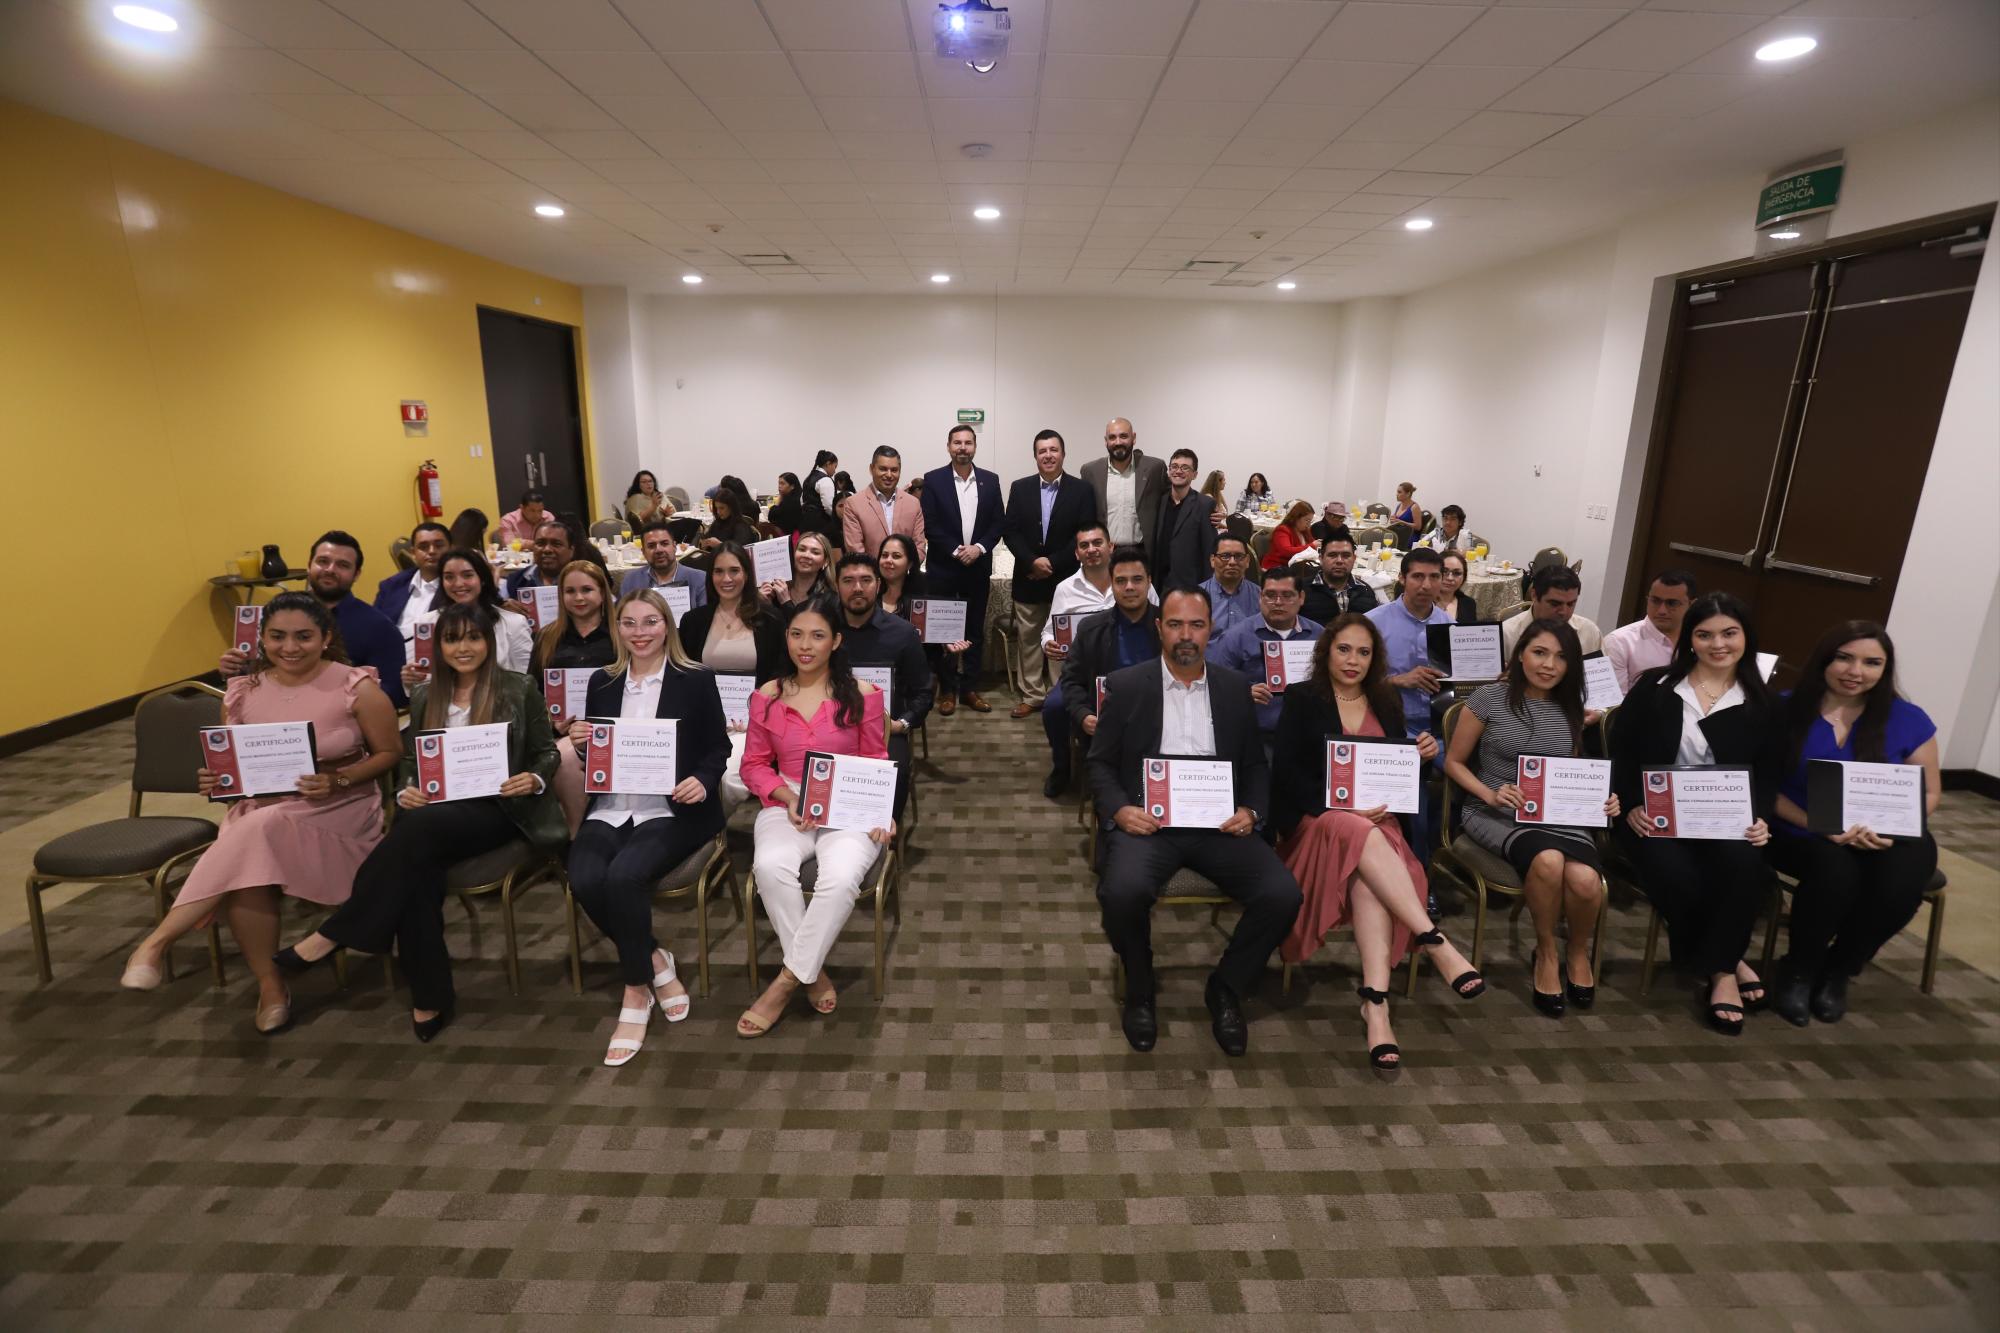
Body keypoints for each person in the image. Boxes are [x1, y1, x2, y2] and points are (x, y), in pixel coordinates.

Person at [272, 602, 563, 1042]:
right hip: (437, 813)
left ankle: (337, 932)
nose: (463, 648)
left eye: (473, 637)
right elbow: (411, 761)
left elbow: (548, 751)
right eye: (452, 638)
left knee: (414, 832)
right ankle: (430, 997)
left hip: (500, 809)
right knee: (415, 869)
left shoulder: (518, 687)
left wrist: (534, 778)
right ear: (439, 646)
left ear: (488, 641)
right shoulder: (427, 694)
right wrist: (405, 788)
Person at [118, 593, 402, 1033]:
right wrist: (218, 782)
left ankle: (157, 942)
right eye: (278, 637)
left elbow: (389, 753)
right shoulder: (242, 691)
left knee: (252, 834)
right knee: (252, 848)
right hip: (260, 808)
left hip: (338, 809)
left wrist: (339, 779)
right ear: (262, 639)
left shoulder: (356, 686)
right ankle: (271, 986)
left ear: (325, 637)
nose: (290, 647)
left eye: (304, 636)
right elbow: (234, 764)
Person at [1089, 587, 1304, 1058]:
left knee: (1282, 894)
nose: (1186, 636)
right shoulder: (1127, 686)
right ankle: (1141, 986)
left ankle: (1227, 986)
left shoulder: (1231, 688)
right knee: (1120, 893)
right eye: (1175, 624)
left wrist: (1251, 811)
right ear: (1159, 628)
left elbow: (1253, 766)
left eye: (1197, 625)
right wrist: (1121, 810)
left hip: (1218, 825)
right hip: (1149, 824)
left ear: (1211, 630)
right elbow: (1100, 764)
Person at [1269, 614, 1483, 1070]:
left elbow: (1396, 777)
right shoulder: (1303, 698)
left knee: (1369, 876)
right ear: (1327, 650)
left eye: (1364, 652)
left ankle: (1377, 1005)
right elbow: (1285, 776)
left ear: (1375, 659)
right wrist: (1338, 807)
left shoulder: (1386, 702)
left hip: (1377, 830)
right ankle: (1434, 940)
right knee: (1356, 830)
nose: (1353, 660)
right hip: (1317, 824)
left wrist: (1421, 758)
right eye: (1344, 649)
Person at [561, 590, 730, 1066]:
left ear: (667, 626)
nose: (640, 632)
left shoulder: (695, 679)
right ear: (617, 629)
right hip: (613, 805)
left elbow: (718, 748)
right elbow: (598, 758)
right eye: (629, 623)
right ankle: (654, 958)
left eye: (650, 622)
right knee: (585, 876)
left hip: (673, 809)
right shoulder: (602, 681)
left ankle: (635, 990)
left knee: (623, 876)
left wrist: (702, 779)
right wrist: (581, 743)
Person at [1610, 592, 1779, 1034]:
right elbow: (1621, 753)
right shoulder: (1656, 687)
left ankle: (1719, 966)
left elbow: (1768, 772)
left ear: (1746, 637)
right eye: (1704, 635)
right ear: (1690, 640)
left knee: (1745, 867)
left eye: (1729, 633)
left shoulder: (1760, 700)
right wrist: (1628, 806)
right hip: (1652, 817)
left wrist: (1760, 817)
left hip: (1725, 819)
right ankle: (1726, 965)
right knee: (1677, 875)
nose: (1717, 644)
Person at [1444, 618, 1620, 1018]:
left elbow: (1572, 770)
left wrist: (1600, 800)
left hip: (1557, 812)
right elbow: (1453, 763)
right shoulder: (1489, 698)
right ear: (1520, 653)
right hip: (1494, 810)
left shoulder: (1571, 706)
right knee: (1548, 860)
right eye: (1539, 652)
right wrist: (1489, 792)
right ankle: (1545, 950)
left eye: (1560, 658)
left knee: (1586, 878)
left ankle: (1577, 952)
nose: (1548, 665)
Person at [1769, 621, 1941, 1027]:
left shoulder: (1908, 718)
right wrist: (1817, 824)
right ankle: (1798, 969)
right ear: (1824, 661)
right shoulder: (1784, 710)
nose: (1855, 671)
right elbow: (1765, 788)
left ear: (1885, 669)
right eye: (1844, 658)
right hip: (1801, 827)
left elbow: (1930, 792)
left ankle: (1839, 968)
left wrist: (1890, 828)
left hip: (1885, 830)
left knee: (1901, 884)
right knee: (1835, 873)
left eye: (1871, 662)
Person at [737, 596, 894, 1037]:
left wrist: (881, 811)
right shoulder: (767, 696)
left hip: (848, 807)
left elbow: (876, 761)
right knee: (769, 867)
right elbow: (753, 766)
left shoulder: (863, 695)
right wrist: (786, 797)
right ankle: (813, 971)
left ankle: (786, 981)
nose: (805, 645)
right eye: (796, 634)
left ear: (836, 641)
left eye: (818, 636)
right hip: (786, 804)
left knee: (840, 878)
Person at [220, 531, 407, 709]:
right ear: (309, 565)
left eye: (342, 565)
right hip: (272, 718)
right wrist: (234, 670)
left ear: (356, 574)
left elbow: (393, 694)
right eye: (323, 561)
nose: (330, 570)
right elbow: (256, 675)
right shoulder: (277, 616)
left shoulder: (378, 627)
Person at [1002, 429, 1098, 718]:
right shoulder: (1020, 488)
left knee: (1061, 640)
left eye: (1053, 450)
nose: (1048, 455)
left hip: (1066, 580)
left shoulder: (1082, 490)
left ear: (1063, 454)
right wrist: (1032, 561)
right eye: (1042, 451)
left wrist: (1051, 563)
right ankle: (1032, 695)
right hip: (1028, 578)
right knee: (1029, 640)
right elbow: (1011, 531)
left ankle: (1060, 693)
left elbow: (1084, 533)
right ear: (1035, 456)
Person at [1051, 544, 1160, 799]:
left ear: (1149, 582)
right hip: (1106, 728)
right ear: (1112, 584)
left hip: (1159, 725)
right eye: (1121, 581)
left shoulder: (1168, 625)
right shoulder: (1091, 629)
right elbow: (1072, 681)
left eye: (1137, 580)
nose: (1129, 587)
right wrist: (1083, 714)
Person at [833, 552, 933, 822]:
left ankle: (880, 840)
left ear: (878, 584)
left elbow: (923, 692)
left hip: (883, 730)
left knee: (894, 770)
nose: (857, 588)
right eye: (848, 580)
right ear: (836, 584)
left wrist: (902, 723)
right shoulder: (823, 629)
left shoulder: (902, 633)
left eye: (865, 580)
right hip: (826, 725)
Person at [918, 423, 1004, 715]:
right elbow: (931, 524)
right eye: (957, 443)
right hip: (944, 568)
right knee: (944, 631)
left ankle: (969, 688)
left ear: (975, 447)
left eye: (968, 443)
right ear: (948, 446)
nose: (962, 448)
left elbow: (997, 523)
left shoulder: (991, 481)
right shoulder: (933, 480)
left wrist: (978, 549)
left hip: (977, 568)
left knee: (974, 631)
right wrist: (957, 550)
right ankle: (947, 689)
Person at [529, 559, 618, 833]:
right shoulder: (547, 637)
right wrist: (552, 724)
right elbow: (532, 692)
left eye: (587, 590)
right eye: (570, 591)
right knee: (563, 756)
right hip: (563, 732)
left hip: (614, 728)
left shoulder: (620, 635)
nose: (578, 597)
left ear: (602, 593)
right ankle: (579, 835)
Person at [1207, 562, 1323, 743]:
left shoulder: (1319, 636)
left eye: (1287, 595)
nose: (1278, 602)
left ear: (1301, 598)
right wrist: (1243, 693)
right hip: (1257, 736)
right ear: (1260, 597)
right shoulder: (1235, 637)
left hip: (1309, 733)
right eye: (1270, 595)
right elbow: (1215, 686)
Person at [409, 549, 534, 675]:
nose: (458, 584)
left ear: (483, 579)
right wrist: (411, 679)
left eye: (467, 575)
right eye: (449, 577)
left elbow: (527, 679)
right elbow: (424, 680)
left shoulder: (513, 623)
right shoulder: (427, 623)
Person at [679, 542, 787, 684]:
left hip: (758, 703)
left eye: (734, 570)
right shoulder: (692, 621)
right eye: (719, 571)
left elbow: (780, 672)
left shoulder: (771, 619)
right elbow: (684, 673)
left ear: (747, 574)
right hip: (705, 705)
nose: (726, 579)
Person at [1079, 417, 1167, 561]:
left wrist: (1207, 507)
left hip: (1143, 552)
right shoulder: (1090, 471)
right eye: (1112, 437)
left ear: (1134, 438)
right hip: (1105, 554)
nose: (1118, 442)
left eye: (1123, 436)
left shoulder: (1154, 468)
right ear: (1105, 441)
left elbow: (1174, 499)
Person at [1602, 570, 1698, 693]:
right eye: (1655, 601)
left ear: (1692, 605)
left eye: (1672, 603)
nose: (1662, 610)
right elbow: (1612, 704)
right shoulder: (1619, 642)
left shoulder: (1701, 641)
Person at [1150, 448, 1220, 592]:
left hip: (1189, 585)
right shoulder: (1159, 501)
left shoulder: (1205, 504)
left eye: (1185, 468)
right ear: (1169, 471)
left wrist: (1207, 589)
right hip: (1159, 583)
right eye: (1174, 467)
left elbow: (1209, 551)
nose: (1178, 471)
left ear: (1194, 474)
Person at [840, 444, 928, 560]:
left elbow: (919, 546)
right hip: (872, 575)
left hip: (906, 575)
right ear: (871, 469)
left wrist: (906, 570)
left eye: (894, 470)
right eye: (883, 469)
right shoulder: (854, 504)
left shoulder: (913, 503)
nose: (889, 475)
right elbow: (855, 549)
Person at [1502, 564, 1602, 659]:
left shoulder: (1589, 632)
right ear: (1534, 596)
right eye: (1555, 604)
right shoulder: (1506, 635)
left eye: (1570, 604)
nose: (1564, 612)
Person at [375, 520, 451, 646]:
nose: (431, 551)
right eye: (423, 547)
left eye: (439, 545)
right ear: (413, 552)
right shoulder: (391, 586)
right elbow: (375, 626)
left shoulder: (457, 587)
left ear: (451, 548)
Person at [619, 520, 709, 608]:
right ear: (643, 552)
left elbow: (703, 619)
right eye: (651, 546)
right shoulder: (631, 580)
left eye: (664, 544)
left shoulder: (699, 579)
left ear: (674, 547)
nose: (659, 550)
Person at [1301, 528, 1381, 624]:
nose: (1339, 560)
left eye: (1346, 555)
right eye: (1332, 555)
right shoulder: (1302, 590)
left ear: (1354, 559)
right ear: (1321, 559)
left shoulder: (1366, 591)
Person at [1200, 534, 1261, 638]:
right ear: (1212, 560)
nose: (1232, 562)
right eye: (1225, 556)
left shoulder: (1261, 596)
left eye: (1238, 556)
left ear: (1247, 561)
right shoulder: (1196, 597)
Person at [501, 519, 576, 599]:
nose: (547, 549)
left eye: (556, 544)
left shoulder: (585, 580)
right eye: (540, 543)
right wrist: (505, 606)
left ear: (571, 551)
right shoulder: (515, 581)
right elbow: (496, 607)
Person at [761, 529, 834, 609]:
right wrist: (764, 604)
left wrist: (786, 602)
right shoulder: (775, 588)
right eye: (802, 549)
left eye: (815, 552)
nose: (806, 555)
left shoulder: (830, 599)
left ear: (826, 562)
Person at [797, 449, 842, 551]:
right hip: (821, 524)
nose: (835, 471)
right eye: (835, 466)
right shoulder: (825, 480)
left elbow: (802, 501)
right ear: (828, 463)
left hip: (805, 521)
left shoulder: (808, 478)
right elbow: (829, 507)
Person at [698, 487, 760, 553]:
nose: (718, 512)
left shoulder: (741, 526)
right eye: (716, 508)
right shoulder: (718, 522)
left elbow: (740, 552)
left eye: (722, 508)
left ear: (731, 507)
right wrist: (704, 545)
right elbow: (707, 540)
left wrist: (719, 545)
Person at [1265, 501, 1316, 570]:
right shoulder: (1282, 530)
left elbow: (1313, 544)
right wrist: (1312, 545)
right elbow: (1287, 551)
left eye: (1310, 521)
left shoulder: (1304, 531)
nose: (1309, 524)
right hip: (1278, 566)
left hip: (1295, 565)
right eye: (1307, 520)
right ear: (1296, 518)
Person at [1435, 550, 1478, 624]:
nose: (1450, 578)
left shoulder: (1468, 603)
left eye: (1457, 573)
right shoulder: (1423, 602)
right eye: (1444, 571)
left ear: (1464, 577)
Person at [769, 472, 804, 536]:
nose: (779, 486)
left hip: (790, 537)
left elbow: (771, 517)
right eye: (779, 483)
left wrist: (779, 499)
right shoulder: (797, 496)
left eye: (782, 484)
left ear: (792, 486)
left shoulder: (791, 502)